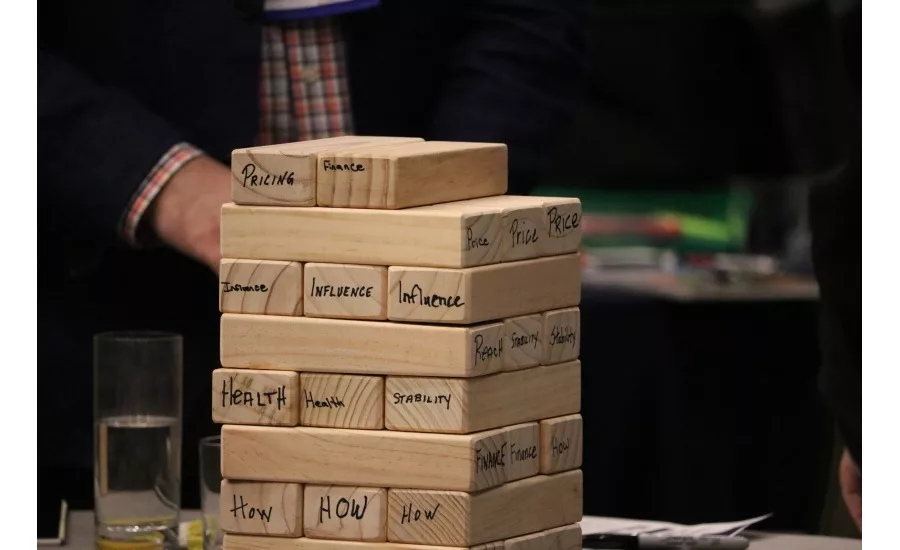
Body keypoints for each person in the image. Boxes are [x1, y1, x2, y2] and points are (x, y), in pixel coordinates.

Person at [38, 0, 590, 508]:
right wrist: (170, 187)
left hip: (429, 341)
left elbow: (526, 19)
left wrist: (455, 187)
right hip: (113, 335)